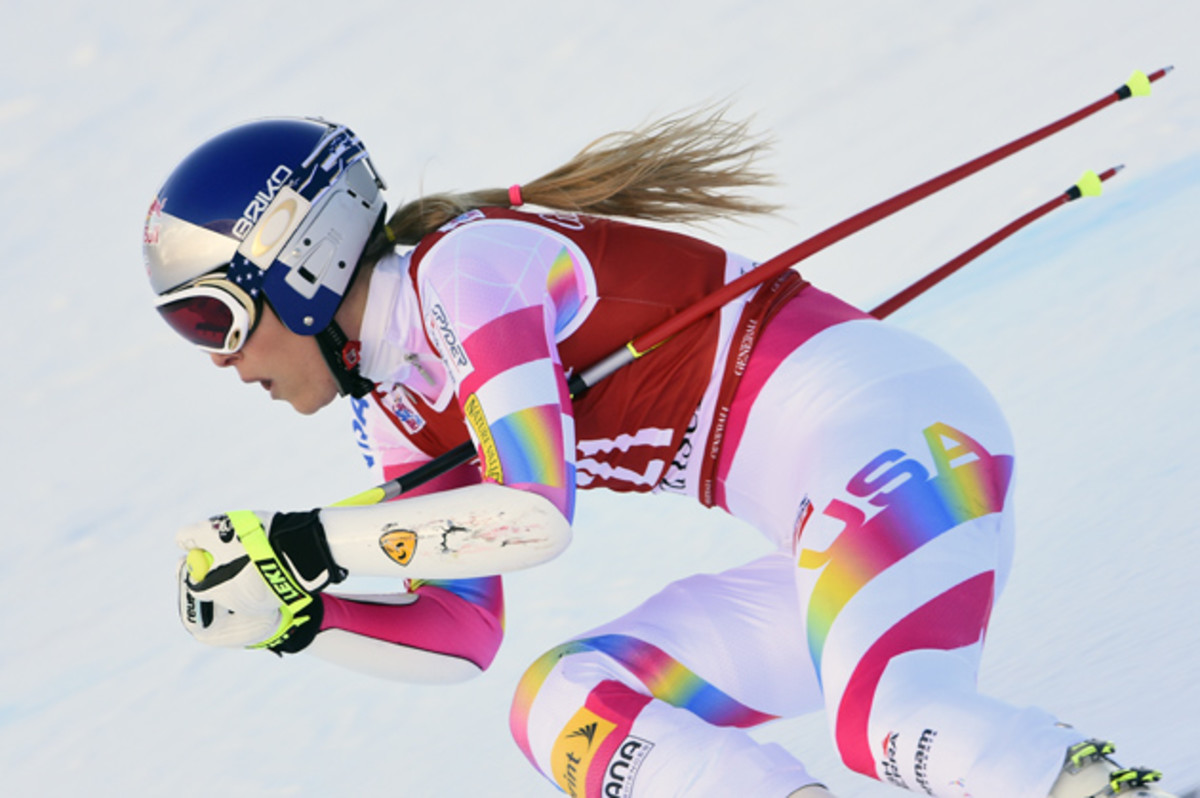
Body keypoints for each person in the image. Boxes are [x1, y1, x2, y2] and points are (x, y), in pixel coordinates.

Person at [144, 111, 1175, 798]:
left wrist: (312, 544)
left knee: (892, 721)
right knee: (560, 698)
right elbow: (461, 631)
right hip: (814, 519)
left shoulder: (467, 273)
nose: (222, 362)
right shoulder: (405, 408)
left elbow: (532, 515)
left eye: (211, 318)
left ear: (303, 260)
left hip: (886, 432)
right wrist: (300, 616)